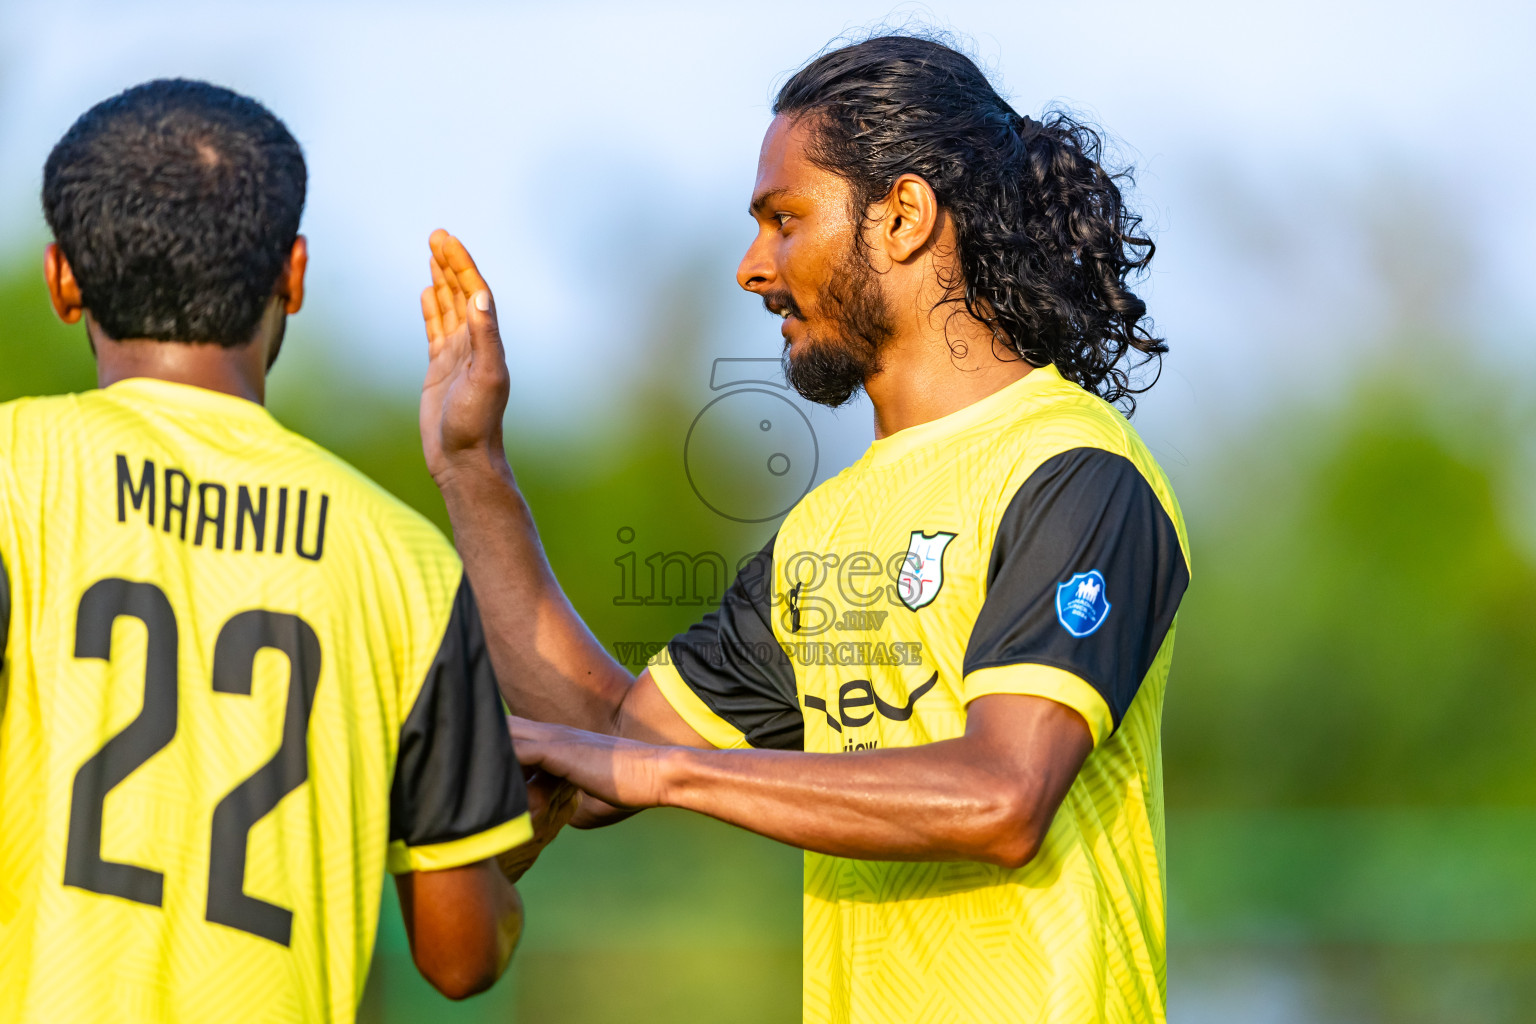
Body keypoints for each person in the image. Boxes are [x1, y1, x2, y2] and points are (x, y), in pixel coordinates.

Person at [420, 34, 1189, 1024]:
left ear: (905, 217)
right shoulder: (827, 529)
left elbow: (1004, 794)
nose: (753, 267)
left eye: (785, 219)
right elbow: (608, 747)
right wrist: (473, 466)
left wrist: (661, 772)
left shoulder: (1077, 469)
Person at [0, 79, 570, 1023]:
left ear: (63, 279)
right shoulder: (404, 559)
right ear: (293, 274)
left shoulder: (17, 473)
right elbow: (462, 954)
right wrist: (504, 851)